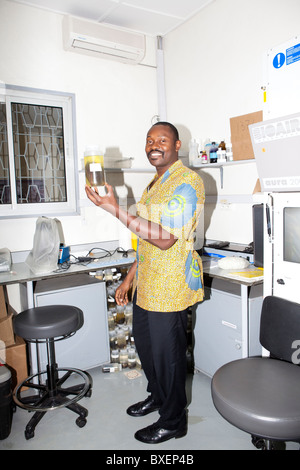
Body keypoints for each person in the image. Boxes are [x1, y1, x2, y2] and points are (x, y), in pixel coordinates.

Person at [85, 121, 205, 444]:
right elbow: (145, 238)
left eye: (161, 140)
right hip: (147, 285)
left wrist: (114, 209)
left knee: (169, 357)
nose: (154, 144)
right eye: (149, 140)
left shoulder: (188, 182)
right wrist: (129, 278)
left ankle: (174, 420)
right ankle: (158, 397)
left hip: (170, 289)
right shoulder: (154, 185)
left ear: (177, 145)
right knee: (148, 349)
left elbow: (164, 239)